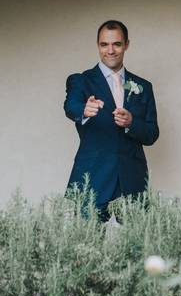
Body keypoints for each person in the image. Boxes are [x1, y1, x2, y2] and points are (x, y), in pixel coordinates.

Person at [63, 20, 159, 218]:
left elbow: (152, 134)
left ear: (126, 45)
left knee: (138, 245)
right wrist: (84, 109)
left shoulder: (143, 86)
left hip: (132, 179)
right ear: (98, 45)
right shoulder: (80, 80)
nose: (111, 50)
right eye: (104, 44)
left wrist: (132, 122)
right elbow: (70, 106)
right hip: (92, 177)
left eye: (117, 44)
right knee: (87, 245)